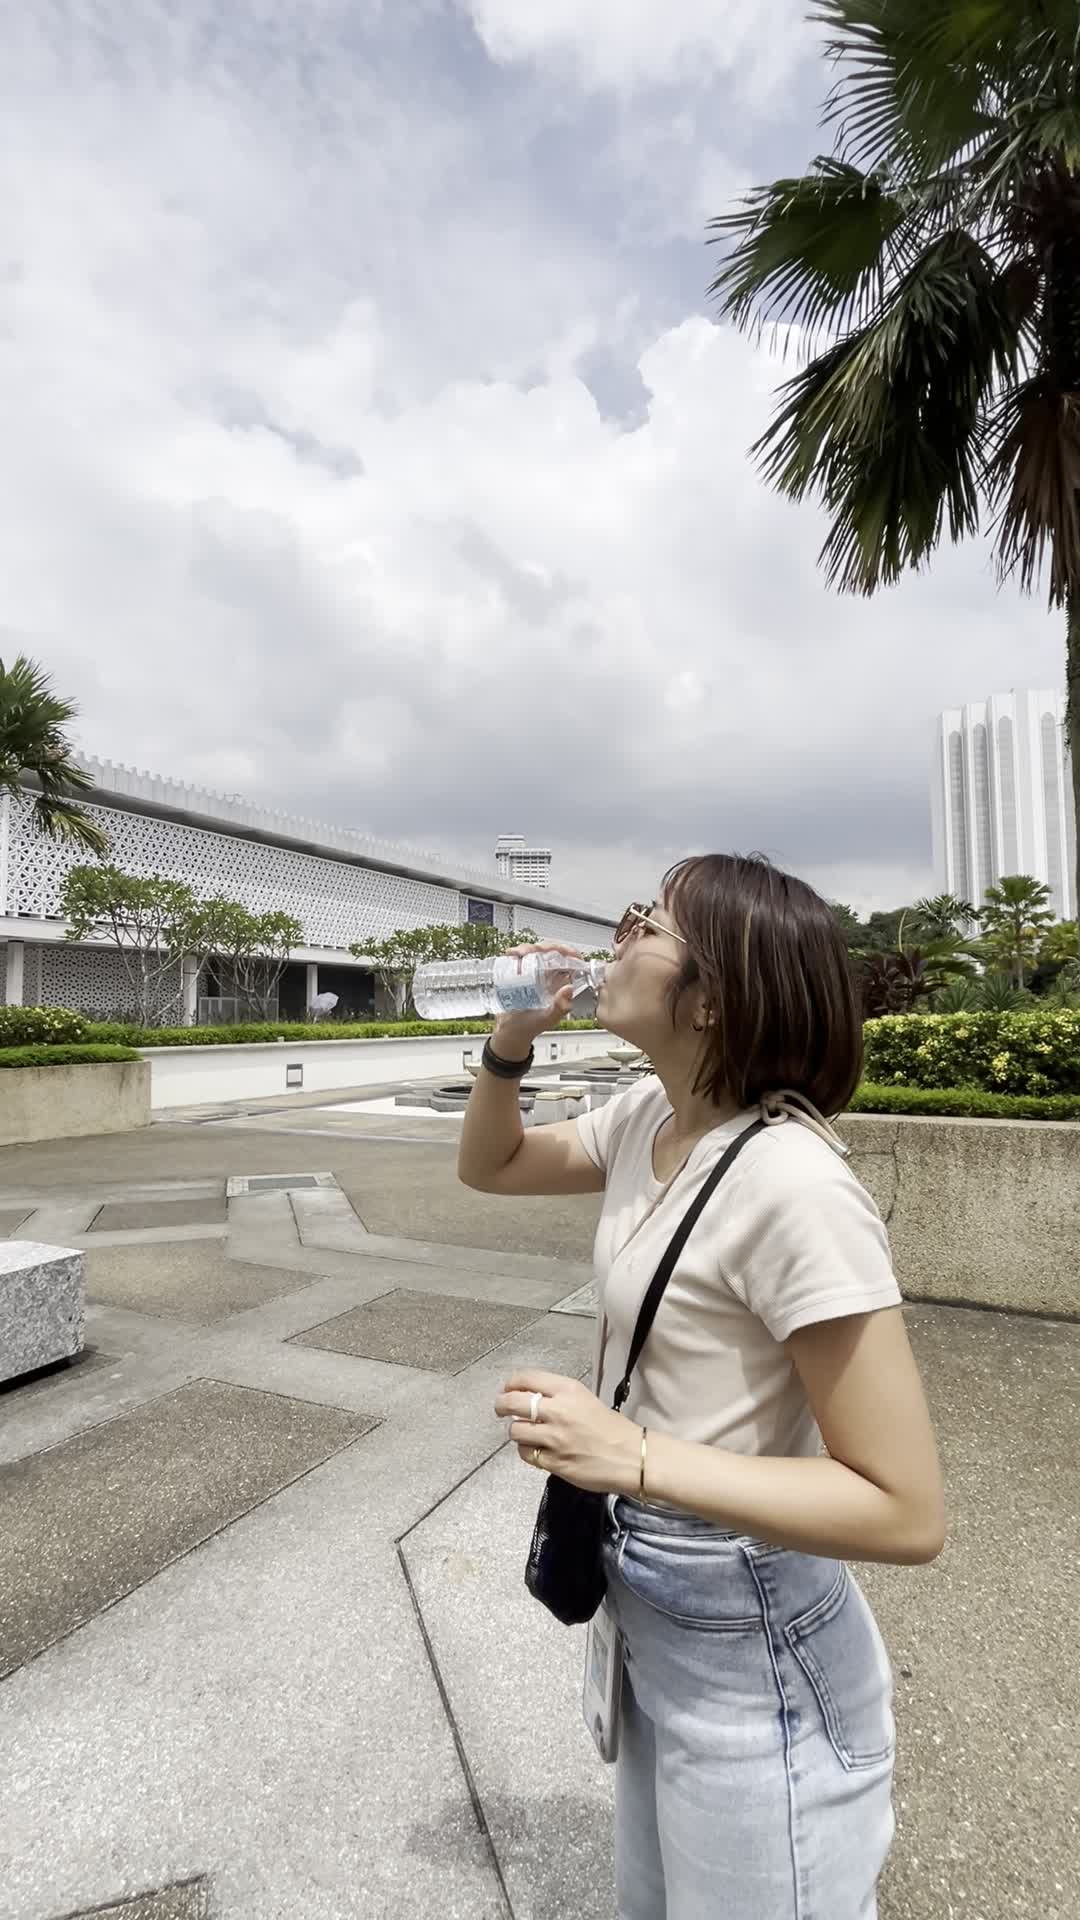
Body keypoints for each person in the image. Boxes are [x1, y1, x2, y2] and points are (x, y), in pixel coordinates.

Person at [458, 852, 946, 1920]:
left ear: (714, 997)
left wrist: (632, 1454)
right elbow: (491, 1167)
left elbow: (907, 1509)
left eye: (648, 924)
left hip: (751, 1635)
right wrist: (509, 1043)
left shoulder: (794, 1184)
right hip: (649, 1598)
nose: (615, 935)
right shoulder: (648, 1117)